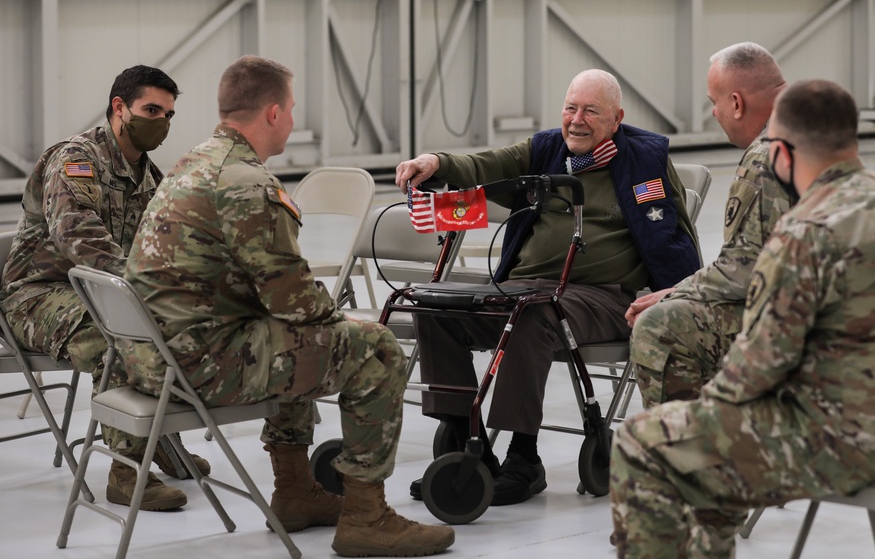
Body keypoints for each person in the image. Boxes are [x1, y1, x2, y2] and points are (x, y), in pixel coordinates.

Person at [609, 79, 875, 558]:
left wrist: (701, 414)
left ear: (782, 154)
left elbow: (757, 369)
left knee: (644, 442)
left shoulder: (803, 234)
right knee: (705, 456)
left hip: (828, 445)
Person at [122, 55, 454, 557]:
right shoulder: (247, 183)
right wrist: (345, 320)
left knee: (292, 335)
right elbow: (293, 300)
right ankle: (366, 517)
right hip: (200, 366)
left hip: (153, 358)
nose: (293, 121)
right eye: (292, 110)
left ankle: (295, 491)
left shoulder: (194, 162)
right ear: (274, 113)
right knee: (376, 348)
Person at [395, 69, 701, 506]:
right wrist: (438, 163)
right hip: (523, 287)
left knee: (533, 314)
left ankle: (524, 458)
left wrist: (680, 295)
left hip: (602, 297)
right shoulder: (546, 150)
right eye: (570, 108)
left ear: (617, 118)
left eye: (591, 111)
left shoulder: (642, 161)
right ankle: (471, 450)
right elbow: (488, 164)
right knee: (435, 307)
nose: (577, 119)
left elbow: (673, 237)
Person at [0, 65, 208, 512]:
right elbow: (80, 238)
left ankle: (159, 440)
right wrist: (146, 293)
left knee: (174, 325)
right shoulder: (76, 159)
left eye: (169, 114)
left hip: (102, 291)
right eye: (152, 110)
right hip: (36, 297)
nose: (163, 122)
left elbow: (163, 245)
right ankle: (126, 470)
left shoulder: (148, 177)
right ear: (119, 108)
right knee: (120, 332)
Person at [626, 42, 789, 408]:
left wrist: (675, 292)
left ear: (736, 102)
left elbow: (743, 272)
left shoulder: (766, 155)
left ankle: (688, 454)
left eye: (714, 101)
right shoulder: (821, 126)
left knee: (659, 327)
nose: (713, 112)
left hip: (800, 318)